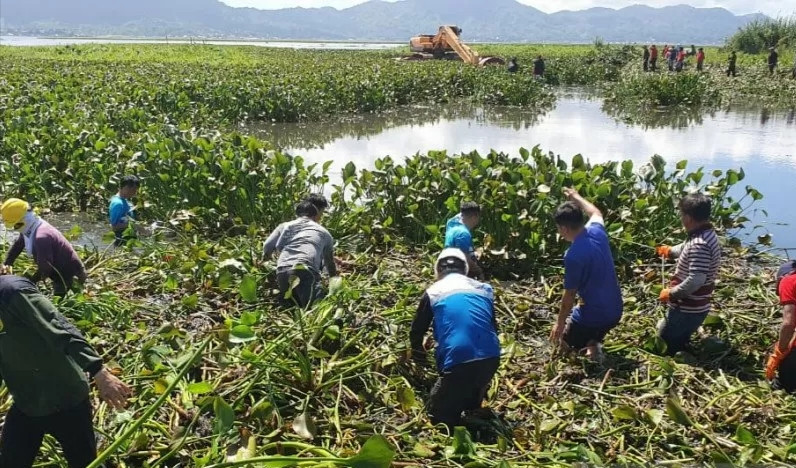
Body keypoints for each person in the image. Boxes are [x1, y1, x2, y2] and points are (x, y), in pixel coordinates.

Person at [0, 274, 131, 467]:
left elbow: (60, 327)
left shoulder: (13, 292)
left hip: (66, 398)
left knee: (83, 462)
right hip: (27, 402)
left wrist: (99, 372)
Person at [410, 248, 500, 430]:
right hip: (492, 355)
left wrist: (418, 357)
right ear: (464, 270)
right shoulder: (484, 289)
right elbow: (492, 326)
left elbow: (417, 331)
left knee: (437, 416)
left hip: (459, 358)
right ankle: (473, 399)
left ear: (438, 272)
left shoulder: (433, 292)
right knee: (469, 396)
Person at [549, 188, 623, 362]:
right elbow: (595, 212)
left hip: (595, 315)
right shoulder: (597, 231)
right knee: (589, 327)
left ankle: (586, 347)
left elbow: (569, 297)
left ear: (564, 228)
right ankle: (593, 344)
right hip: (616, 311)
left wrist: (559, 324)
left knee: (562, 345)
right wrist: (576, 196)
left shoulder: (574, 255)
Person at [655, 193, 721, 355]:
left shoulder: (699, 244)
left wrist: (671, 294)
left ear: (689, 218)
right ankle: (682, 337)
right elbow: (686, 247)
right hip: (693, 308)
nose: (681, 218)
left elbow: (696, 280)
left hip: (687, 309)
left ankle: (680, 348)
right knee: (666, 330)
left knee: (663, 343)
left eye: (682, 214)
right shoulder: (705, 234)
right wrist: (669, 251)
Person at [1, 199, 87, 298]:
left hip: (69, 275)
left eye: (16, 225)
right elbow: (19, 244)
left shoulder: (41, 236)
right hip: (57, 271)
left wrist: (28, 282)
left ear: (24, 219)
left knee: (61, 303)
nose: (15, 228)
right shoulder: (31, 226)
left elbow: (45, 268)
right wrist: (7, 263)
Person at [263, 200, 337, 308]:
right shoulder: (325, 233)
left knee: (293, 306)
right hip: (305, 269)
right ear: (316, 216)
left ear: (297, 214)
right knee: (317, 309)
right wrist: (333, 281)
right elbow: (329, 263)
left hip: (282, 271)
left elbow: (267, 246)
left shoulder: (285, 225)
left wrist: (265, 259)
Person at [765, 261, 796, 392]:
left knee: (787, 380)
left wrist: (779, 354)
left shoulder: (788, 282)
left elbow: (788, 324)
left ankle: (784, 386)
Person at [444, 202, 484, 279]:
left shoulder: (451, 223)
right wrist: (479, 271)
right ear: (474, 217)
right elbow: (463, 257)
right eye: (478, 217)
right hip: (456, 273)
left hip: (446, 264)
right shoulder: (463, 234)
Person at [109, 175, 140, 246]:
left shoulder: (125, 201)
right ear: (123, 187)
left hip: (128, 239)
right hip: (121, 240)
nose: (134, 193)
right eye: (132, 190)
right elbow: (114, 226)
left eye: (135, 190)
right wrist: (135, 226)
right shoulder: (118, 203)